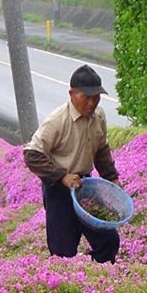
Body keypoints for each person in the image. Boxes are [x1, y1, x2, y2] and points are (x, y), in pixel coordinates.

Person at [23, 64, 121, 264]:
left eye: (97, 97)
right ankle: (70, 284)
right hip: (58, 189)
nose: (92, 102)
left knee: (108, 241)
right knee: (62, 251)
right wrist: (62, 176)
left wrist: (112, 177)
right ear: (72, 93)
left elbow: (101, 149)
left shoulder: (99, 116)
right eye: (87, 97)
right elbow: (32, 155)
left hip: (86, 186)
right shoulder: (57, 121)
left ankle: (94, 277)